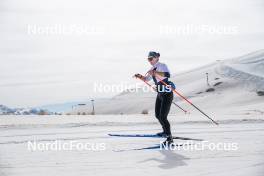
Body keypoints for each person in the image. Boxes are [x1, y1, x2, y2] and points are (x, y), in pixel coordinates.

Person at [135, 51, 174, 144]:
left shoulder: (162, 65)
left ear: (156, 58)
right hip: (160, 93)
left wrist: (155, 72)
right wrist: (139, 76)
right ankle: (165, 131)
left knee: (163, 116)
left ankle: (169, 138)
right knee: (157, 115)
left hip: (167, 93)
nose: (149, 60)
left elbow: (167, 75)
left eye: (151, 58)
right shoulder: (151, 68)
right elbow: (146, 79)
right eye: (148, 59)